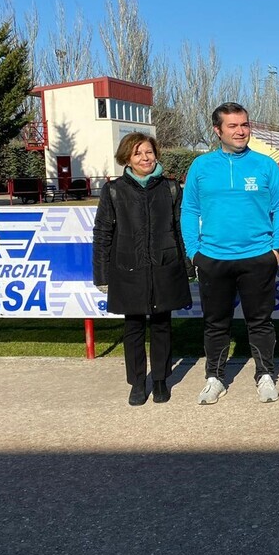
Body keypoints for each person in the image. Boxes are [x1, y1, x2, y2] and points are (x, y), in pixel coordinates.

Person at [181, 102, 279, 405]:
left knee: (260, 322)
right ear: (217, 130)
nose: (241, 131)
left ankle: (265, 375)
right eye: (233, 126)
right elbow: (189, 210)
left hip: (258, 256)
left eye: (244, 124)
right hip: (213, 258)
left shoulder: (266, 165)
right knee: (216, 323)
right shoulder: (201, 167)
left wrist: (277, 249)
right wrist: (194, 252)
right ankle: (215, 378)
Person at [92, 132, 192, 406]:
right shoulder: (113, 190)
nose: (145, 158)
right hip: (128, 269)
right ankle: (137, 383)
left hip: (164, 267)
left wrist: (187, 265)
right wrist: (101, 274)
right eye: (138, 153)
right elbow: (102, 233)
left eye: (148, 152)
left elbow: (180, 229)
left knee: (162, 325)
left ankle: (160, 380)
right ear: (127, 158)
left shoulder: (170, 188)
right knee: (133, 327)